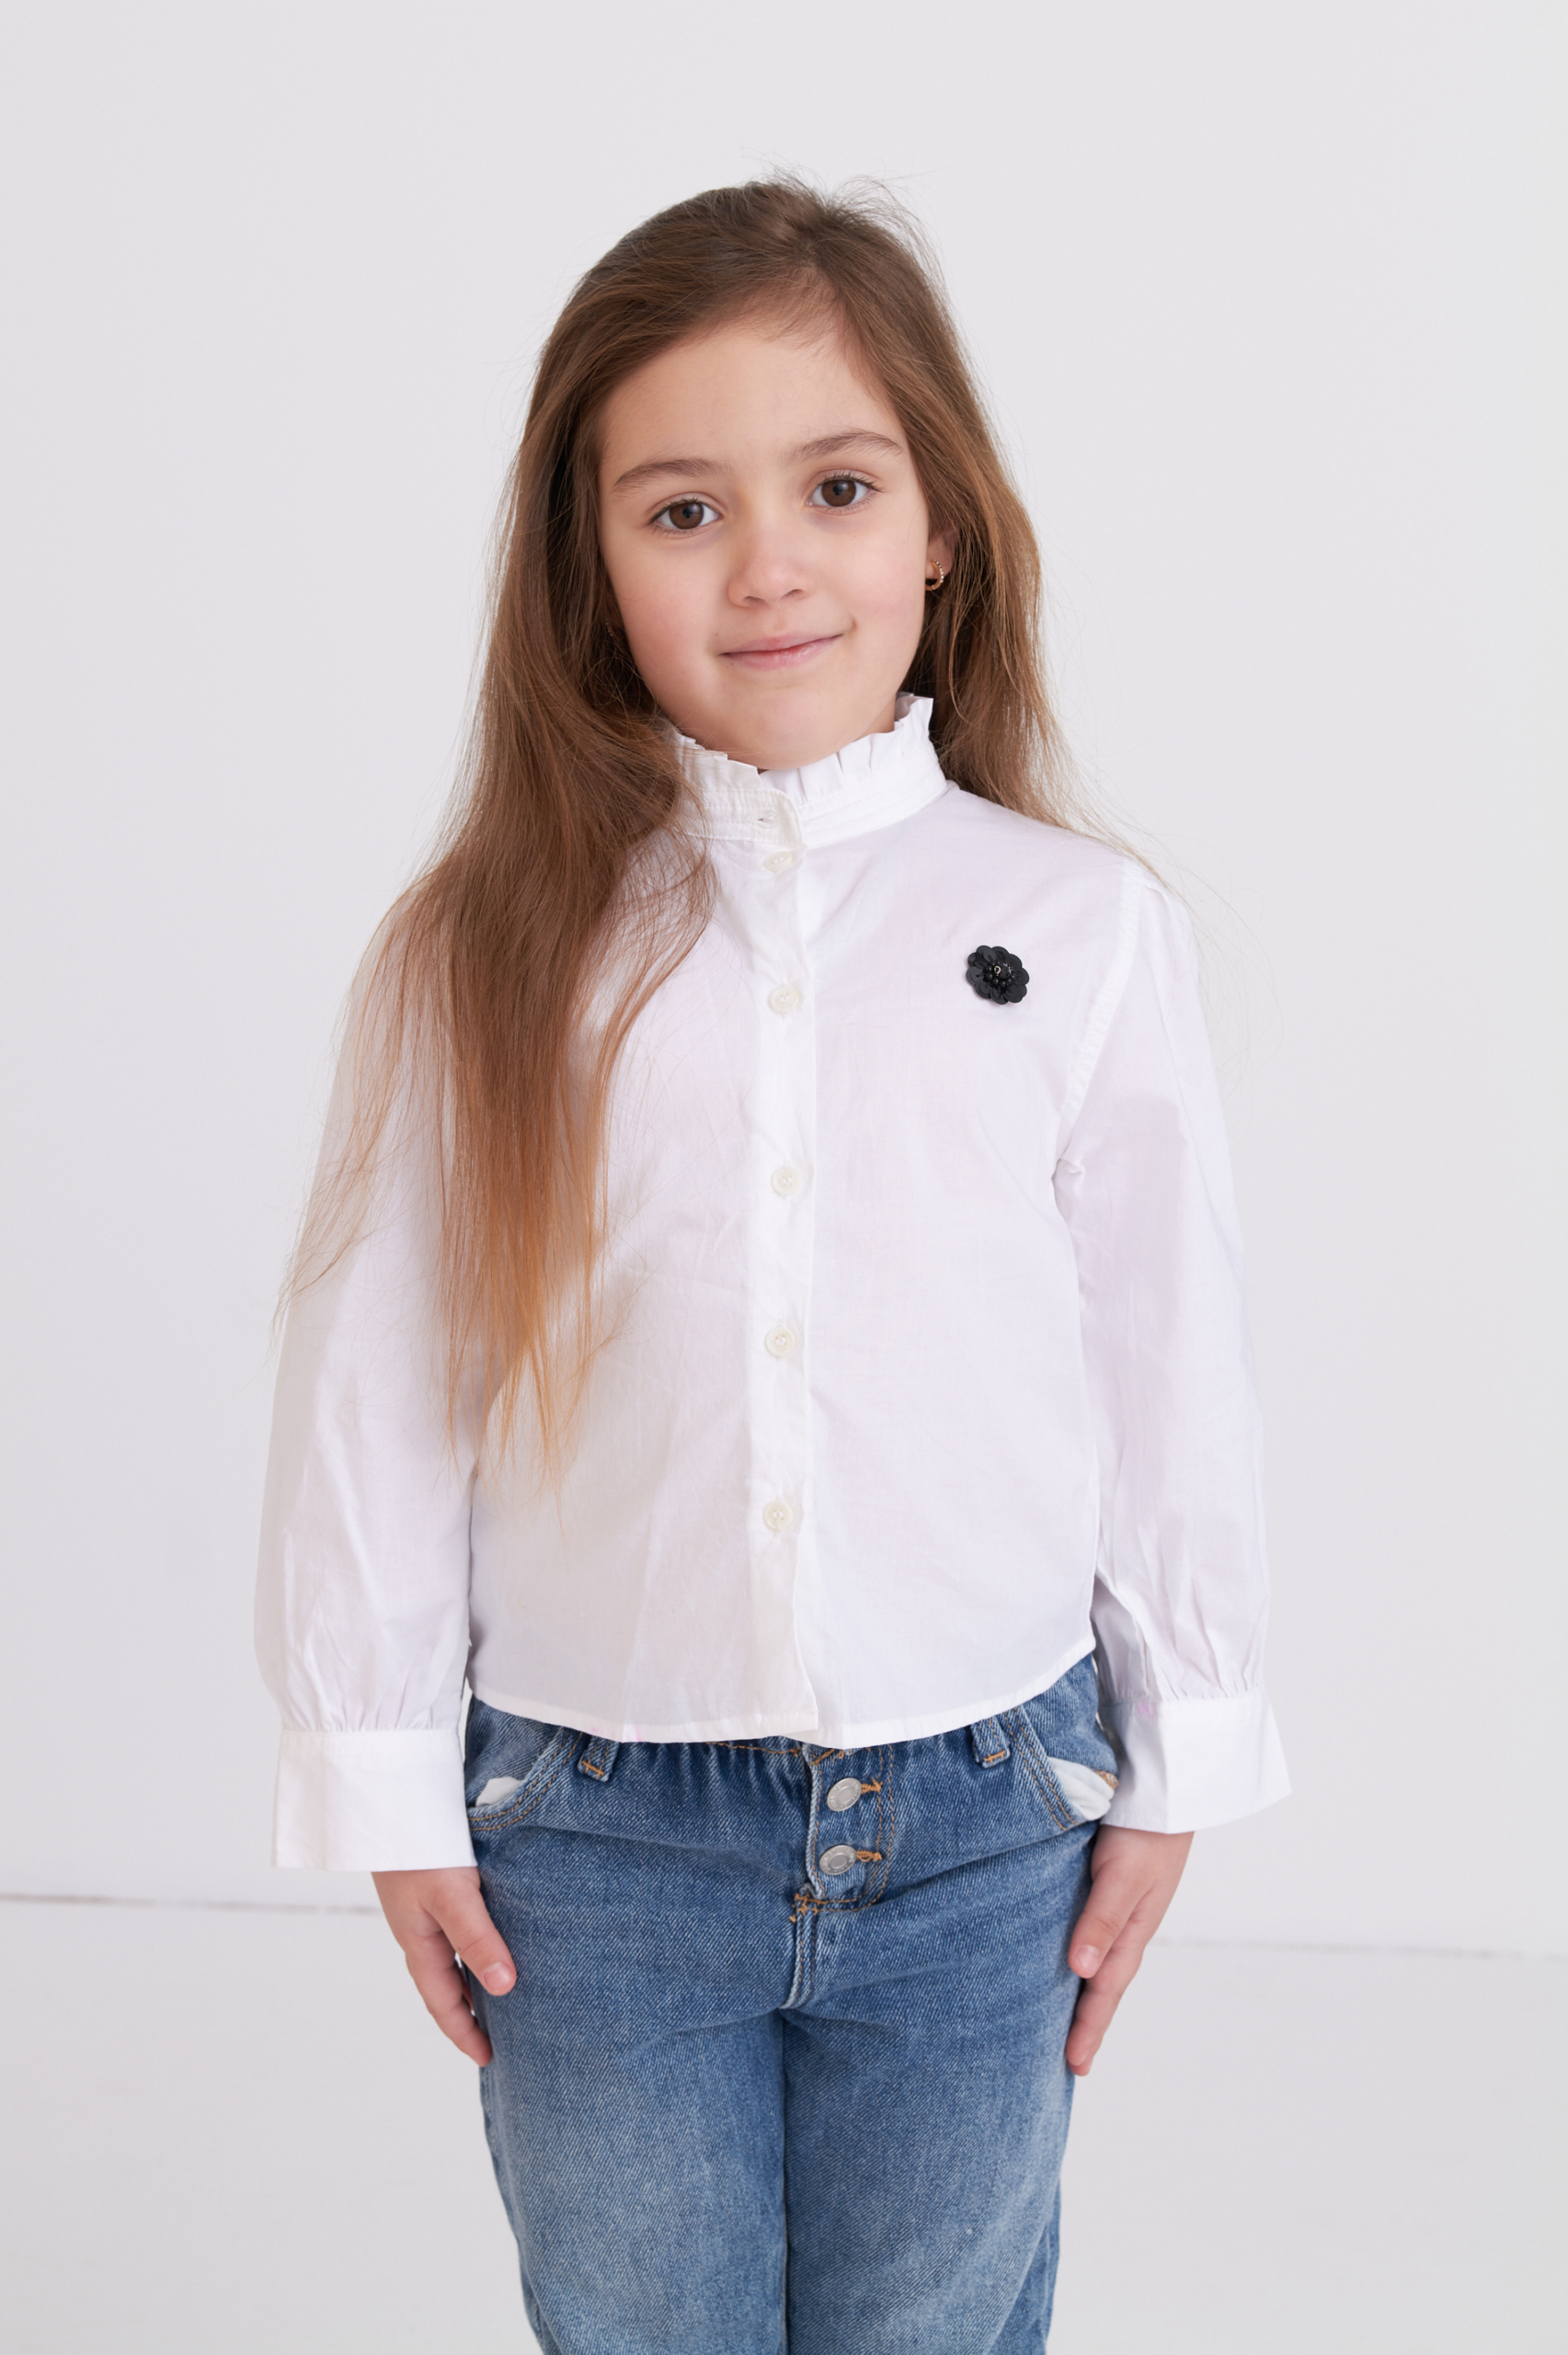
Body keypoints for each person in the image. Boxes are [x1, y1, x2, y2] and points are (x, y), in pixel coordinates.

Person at [257, 178, 1289, 2353]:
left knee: (935, 2320)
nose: (766, 564)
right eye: (679, 509)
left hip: (985, 1813)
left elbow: (1164, 1354)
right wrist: (379, 1769)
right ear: (587, 565)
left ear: (940, 524)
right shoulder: (488, 951)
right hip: (595, 1835)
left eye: (833, 486)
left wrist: (1182, 1740)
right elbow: (379, 1375)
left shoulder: (1080, 932)